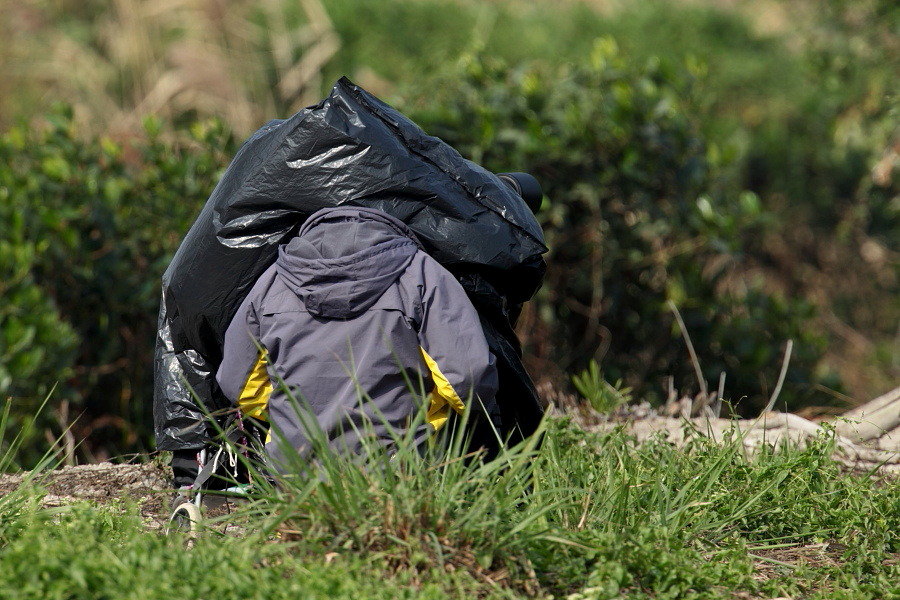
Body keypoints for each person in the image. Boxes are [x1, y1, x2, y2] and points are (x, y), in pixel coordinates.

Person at [215, 206, 498, 468]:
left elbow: (238, 384)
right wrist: (429, 414)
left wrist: (292, 417)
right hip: (399, 471)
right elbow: (467, 377)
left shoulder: (272, 281)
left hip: (293, 474)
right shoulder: (421, 273)